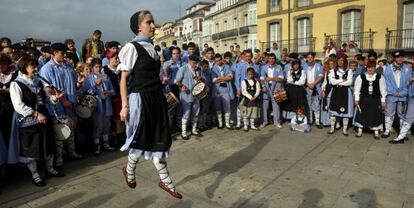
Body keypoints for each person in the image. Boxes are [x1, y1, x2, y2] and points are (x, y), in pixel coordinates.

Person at [118, 10, 182, 199]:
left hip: (156, 98)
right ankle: (130, 171)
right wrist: (124, 105)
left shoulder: (152, 47)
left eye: (153, 22)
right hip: (141, 98)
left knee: (159, 139)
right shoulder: (131, 47)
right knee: (141, 137)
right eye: (149, 22)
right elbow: (123, 79)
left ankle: (165, 181)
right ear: (139, 26)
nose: (154, 25)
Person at [9, 56, 64, 186]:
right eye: (32, 66)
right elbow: (18, 106)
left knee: (48, 143)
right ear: (24, 68)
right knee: (32, 148)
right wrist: (35, 113)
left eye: (35, 66)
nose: (35, 69)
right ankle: (35, 174)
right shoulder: (16, 84)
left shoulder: (37, 81)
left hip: (44, 117)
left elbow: (45, 100)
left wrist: (55, 98)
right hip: (28, 121)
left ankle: (50, 169)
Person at [39, 43, 83, 169]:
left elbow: (73, 84)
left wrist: (79, 85)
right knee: (60, 132)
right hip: (57, 106)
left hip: (71, 104)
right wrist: (63, 101)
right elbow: (48, 90)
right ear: (53, 53)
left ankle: (72, 152)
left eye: (65, 53)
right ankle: (59, 160)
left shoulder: (68, 66)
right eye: (62, 53)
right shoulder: (47, 69)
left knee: (71, 130)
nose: (64, 55)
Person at [82, 58, 115, 155]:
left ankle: (106, 143)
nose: (98, 68)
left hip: (106, 103)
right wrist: (95, 86)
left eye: (100, 66)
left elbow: (113, 90)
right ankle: (97, 145)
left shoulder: (105, 76)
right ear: (92, 68)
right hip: (97, 105)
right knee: (98, 126)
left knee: (106, 125)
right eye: (96, 67)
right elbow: (87, 93)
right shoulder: (89, 79)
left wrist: (109, 92)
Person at [382, 50, 411, 138]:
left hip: (403, 95)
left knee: (402, 114)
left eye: (401, 57)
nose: (400, 58)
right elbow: (386, 82)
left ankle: (402, 132)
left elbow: (408, 82)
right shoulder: (387, 68)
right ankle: (387, 130)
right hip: (391, 95)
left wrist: (402, 93)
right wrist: (394, 92)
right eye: (398, 57)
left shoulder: (407, 68)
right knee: (389, 113)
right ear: (394, 58)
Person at [354, 60, 386, 139]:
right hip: (364, 99)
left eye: (372, 67)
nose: (370, 69)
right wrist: (356, 99)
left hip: (375, 99)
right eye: (368, 68)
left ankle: (376, 132)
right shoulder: (361, 77)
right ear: (366, 68)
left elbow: (383, 90)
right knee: (362, 114)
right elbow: (357, 89)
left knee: (375, 114)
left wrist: (383, 101)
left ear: (375, 68)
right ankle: (360, 131)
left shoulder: (380, 77)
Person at [175, 55, 202, 140]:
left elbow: (200, 80)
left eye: (196, 63)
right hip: (186, 94)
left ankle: (194, 130)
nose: (195, 64)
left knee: (196, 112)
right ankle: (184, 132)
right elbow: (176, 81)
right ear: (189, 61)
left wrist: (199, 79)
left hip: (196, 94)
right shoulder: (183, 68)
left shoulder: (198, 69)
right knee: (186, 113)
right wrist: (181, 86)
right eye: (194, 63)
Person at [328, 55, 354, 135]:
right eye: (339, 60)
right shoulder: (333, 70)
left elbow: (349, 82)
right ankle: (332, 128)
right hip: (335, 91)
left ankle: (345, 129)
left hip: (345, 92)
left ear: (345, 61)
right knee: (333, 110)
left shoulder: (349, 71)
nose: (340, 62)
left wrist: (337, 81)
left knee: (345, 111)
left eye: (342, 60)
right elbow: (332, 81)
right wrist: (342, 80)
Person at [260, 53, 284, 128]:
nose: (271, 60)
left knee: (276, 105)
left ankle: (276, 122)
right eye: (270, 58)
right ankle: (265, 121)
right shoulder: (264, 67)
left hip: (277, 88)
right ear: (268, 59)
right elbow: (262, 79)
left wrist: (271, 78)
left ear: (275, 59)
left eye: (273, 58)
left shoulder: (279, 67)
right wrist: (263, 86)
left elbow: (281, 79)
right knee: (265, 106)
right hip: (266, 88)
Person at [391, 68, 414, 144]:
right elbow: (406, 86)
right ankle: (401, 137)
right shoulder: (410, 72)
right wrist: (401, 94)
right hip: (412, 97)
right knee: (408, 117)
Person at [211, 53, 234, 129]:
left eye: (219, 60)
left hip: (226, 88)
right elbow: (214, 80)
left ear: (222, 59)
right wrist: (224, 78)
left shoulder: (226, 66)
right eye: (216, 61)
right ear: (215, 61)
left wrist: (220, 78)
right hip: (217, 89)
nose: (218, 62)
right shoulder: (213, 68)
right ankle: (220, 123)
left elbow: (230, 77)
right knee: (218, 106)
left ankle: (227, 123)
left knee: (227, 106)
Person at [0, 53, 18, 148]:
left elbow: (20, 89)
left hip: (12, 108)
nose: (1, 65)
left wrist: (6, 90)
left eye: (3, 62)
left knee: (11, 133)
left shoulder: (15, 74)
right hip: (1, 109)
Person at [303, 52, 324, 128]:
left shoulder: (318, 66)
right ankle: (310, 120)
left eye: (311, 57)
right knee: (308, 104)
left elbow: (321, 76)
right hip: (307, 87)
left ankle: (317, 122)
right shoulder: (304, 66)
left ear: (313, 58)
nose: (309, 59)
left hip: (316, 87)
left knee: (316, 105)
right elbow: (302, 76)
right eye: (308, 57)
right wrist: (307, 84)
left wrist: (314, 84)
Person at [240, 67, 260, 131]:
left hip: (254, 99)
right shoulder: (244, 81)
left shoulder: (256, 82)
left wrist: (255, 96)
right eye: (249, 74)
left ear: (253, 74)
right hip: (246, 99)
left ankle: (252, 125)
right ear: (246, 74)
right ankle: (245, 125)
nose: (250, 75)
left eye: (251, 74)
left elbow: (258, 90)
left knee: (253, 113)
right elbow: (243, 91)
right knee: (245, 113)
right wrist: (250, 97)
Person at [320, 58, 336, 127]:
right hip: (327, 89)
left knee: (332, 105)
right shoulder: (327, 72)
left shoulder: (336, 72)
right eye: (329, 64)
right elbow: (325, 82)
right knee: (326, 105)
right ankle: (326, 122)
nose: (331, 65)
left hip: (334, 90)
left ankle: (333, 122)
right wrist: (323, 90)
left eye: (332, 64)